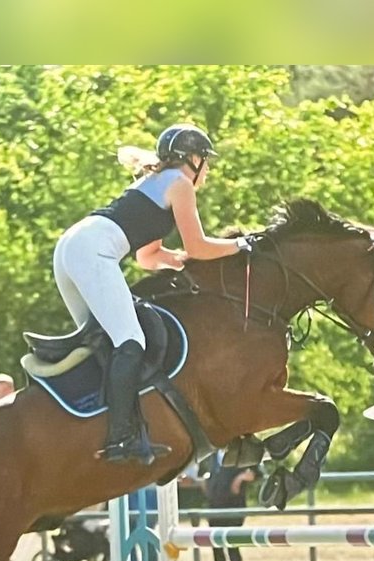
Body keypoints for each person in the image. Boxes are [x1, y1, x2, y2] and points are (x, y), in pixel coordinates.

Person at [54, 123, 249, 465]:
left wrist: (180, 262)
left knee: (101, 342)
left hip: (70, 248)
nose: (208, 169)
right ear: (192, 159)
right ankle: (119, 439)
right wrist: (242, 244)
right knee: (131, 341)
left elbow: (148, 256)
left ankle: (88, 419)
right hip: (91, 250)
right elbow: (199, 246)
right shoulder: (180, 184)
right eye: (206, 160)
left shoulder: (156, 183)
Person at [202, 450, 259, 561]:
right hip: (215, 506)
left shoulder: (240, 450)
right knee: (217, 548)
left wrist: (240, 478)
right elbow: (206, 473)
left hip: (233, 506)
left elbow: (256, 473)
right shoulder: (212, 453)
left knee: (233, 546)